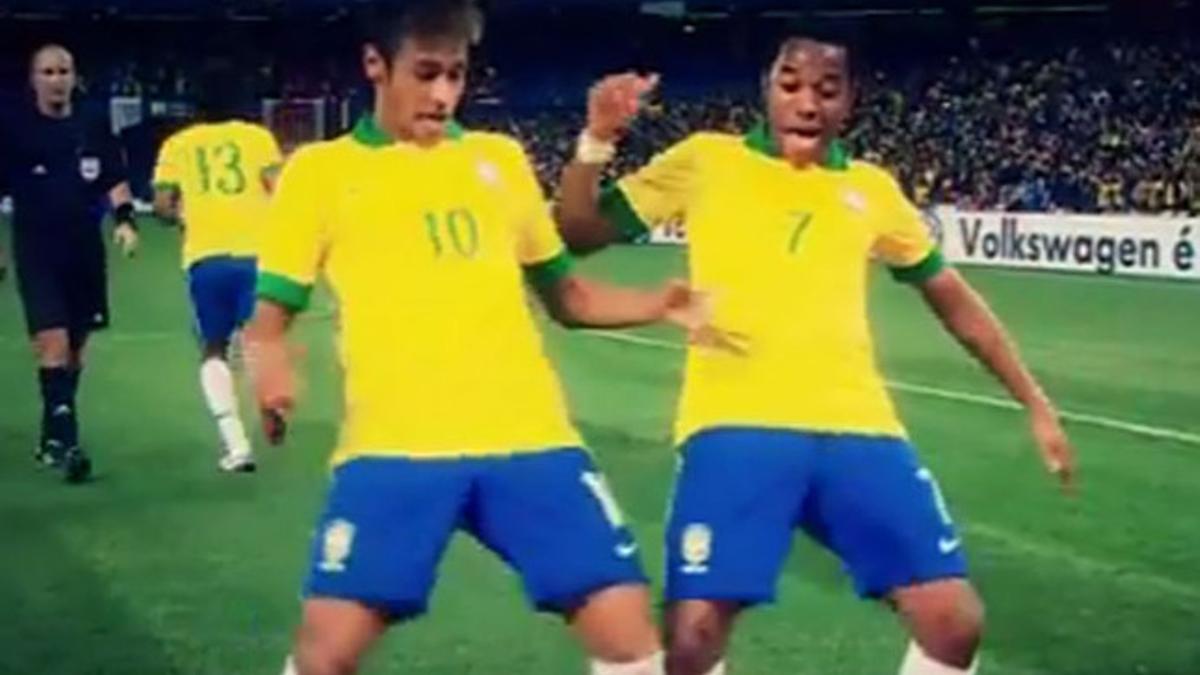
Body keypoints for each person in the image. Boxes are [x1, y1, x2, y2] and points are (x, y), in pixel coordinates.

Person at [556, 37, 1077, 675]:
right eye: (791, 85)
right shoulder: (707, 160)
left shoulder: (871, 190)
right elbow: (577, 233)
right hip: (734, 423)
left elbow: (955, 303)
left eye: (826, 91)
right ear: (766, 89)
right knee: (692, 637)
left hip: (859, 427)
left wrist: (1035, 403)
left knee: (954, 620)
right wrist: (596, 141)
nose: (807, 102)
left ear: (849, 101)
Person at [245, 2, 707, 673]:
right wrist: (271, 371)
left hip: (530, 438)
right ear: (376, 65)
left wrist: (658, 301)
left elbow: (569, 298)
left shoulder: (499, 160)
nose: (442, 94)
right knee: (325, 656)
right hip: (395, 446)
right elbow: (269, 319)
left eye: (456, 75)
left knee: (630, 636)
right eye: (425, 73)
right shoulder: (319, 172)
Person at [0, 44, 139, 483]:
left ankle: (52, 430)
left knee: (76, 350)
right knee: (53, 342)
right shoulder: (16, 129)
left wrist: (125, 220)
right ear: (34, 79)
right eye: (47, 72)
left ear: (74, 77)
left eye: (63, 71)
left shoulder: (91, 123)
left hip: (84, 250)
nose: (56, 79)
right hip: (36, 248)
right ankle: (65, 441)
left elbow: (114, 177)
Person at [152, 63, 283, 473]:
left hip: (206, 255)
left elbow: (160, 206)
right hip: (257, 252)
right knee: (258, 336)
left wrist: (185, 216)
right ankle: (268, 393)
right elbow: (280, 190)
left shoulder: (178, 145)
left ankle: (236, 444)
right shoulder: (257, 138)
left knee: (212, 347)